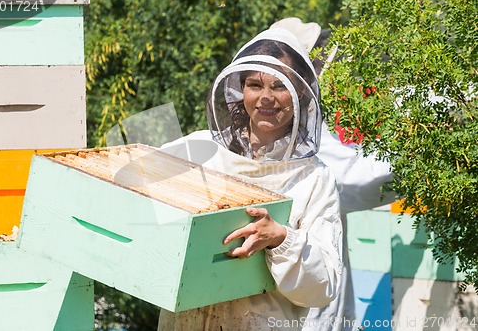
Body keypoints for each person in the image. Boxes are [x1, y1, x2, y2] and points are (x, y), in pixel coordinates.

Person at [158, 27, 344, 330]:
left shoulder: (315, 179)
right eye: (254, 85)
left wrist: (282, 239)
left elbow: (323, 286)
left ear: (299, 93)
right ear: (239, 89)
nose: (266, 98)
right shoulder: (198, 151)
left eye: (279, 86)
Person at [270, 18, 396, 331]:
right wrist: (420, 163)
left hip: (308, 278)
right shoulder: (299, 130)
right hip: (298, 290)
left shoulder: (292, 121)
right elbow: (356, 180)